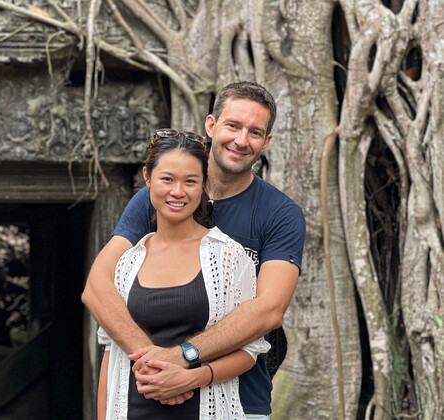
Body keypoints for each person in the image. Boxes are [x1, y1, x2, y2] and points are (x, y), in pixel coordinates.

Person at [82, 81, 306, 418]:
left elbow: (269, 310)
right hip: (142, 397)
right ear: (211, 125)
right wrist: (155, 363)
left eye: (255, 132)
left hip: (239, 401)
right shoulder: (157, 200)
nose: (241, 140)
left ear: (267, 142)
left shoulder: (278, 214)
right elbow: (99, 286)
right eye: (232, 125)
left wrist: (183, 358)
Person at [97, 130, 270, 419]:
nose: (178, 191)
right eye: (167, 179)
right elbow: (110, 354)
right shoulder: (126, 263)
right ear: (148, 178)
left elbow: (249, 351)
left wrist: (191, 378)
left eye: (190, 181)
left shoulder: (229, 257)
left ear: (204, 184)